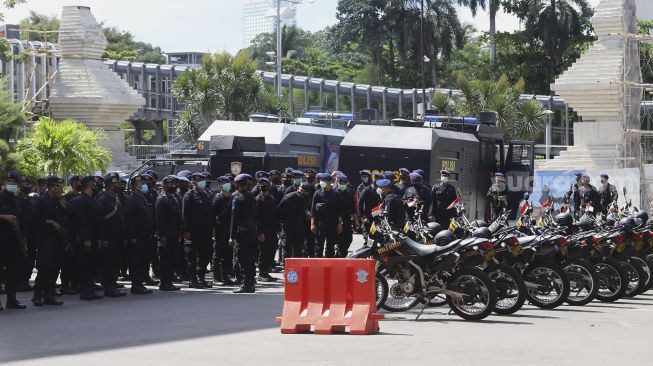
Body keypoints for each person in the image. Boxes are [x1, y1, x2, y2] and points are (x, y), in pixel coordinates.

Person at [31, 176, 67, 306]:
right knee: (44, 268)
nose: (60, 189)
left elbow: (68, 217)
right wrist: (49, 222)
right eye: (57, 187)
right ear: (51, 187)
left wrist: (64, 206)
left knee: (54, 268)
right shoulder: (42, 200)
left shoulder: (59, 201)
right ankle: (37, 295)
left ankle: (49, 294)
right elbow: (35, 220)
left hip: (58, 239)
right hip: (45, 239)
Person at [69, 176, 103, 300]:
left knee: (91, 264)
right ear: (90, 184)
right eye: (94, 183)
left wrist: (98, 238)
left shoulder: (91, 199)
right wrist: (86, 239)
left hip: (93, 237)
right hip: (84, 239)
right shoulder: (80, 201)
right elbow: (82, 222)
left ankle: (89, 288)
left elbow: (95, 221)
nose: (97, 185)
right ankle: (85, 290)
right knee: (84, 265)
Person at [95, 173, 126, 298]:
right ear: (109, 186)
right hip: (108, 237)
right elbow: (100, 222)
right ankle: (109, 287)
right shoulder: (103, 200)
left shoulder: (116, 199)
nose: (119, 185)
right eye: (115, 184)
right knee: (108, 263)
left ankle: (113, 284)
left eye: (118, 183)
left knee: (115, 262)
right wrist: (103, 238)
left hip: (117, 237)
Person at [0, 172, 27, 310]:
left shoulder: (17, 199)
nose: (10, 183)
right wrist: (4, 216)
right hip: (1, 239)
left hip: (15, 240)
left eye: (13, 181)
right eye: (8, 181)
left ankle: (12, 299)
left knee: (13, 271)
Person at [124, 175, 155, 295]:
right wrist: (131, 236)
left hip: (145, 235)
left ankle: (140, 283)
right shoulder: (132, 200)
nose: (143, 184)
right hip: (137, 236)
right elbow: (130, 220)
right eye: (141, 182)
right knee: (136, 261)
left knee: (143, 260)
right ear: (135, 186)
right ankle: (136, 284)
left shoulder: (143, 198)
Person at [182, 172, 214, 289]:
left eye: (201, 180)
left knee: (206, 254)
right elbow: (185, 215)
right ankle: (193, 280)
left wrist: (212, 228)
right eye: (196, 180)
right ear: (192, 182)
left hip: (206, 231)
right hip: (194, 231)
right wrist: (186, 231)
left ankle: (201, 278)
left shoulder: (206, 195)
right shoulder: (189, 195)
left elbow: (210, 213)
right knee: (192, 257)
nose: (198, 182)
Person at [230, 174, 258, 293]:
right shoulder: (251, 197)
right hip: (252, 230)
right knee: (250, 258)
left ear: (236, 184)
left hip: (242, 231)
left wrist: (232, 236)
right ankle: (251, 283)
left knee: (242, 258)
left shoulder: (237, 198)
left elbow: (234, 218)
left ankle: (246, 284)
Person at [156, 176, 183, 291]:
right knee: (165, 259)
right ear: (164, 186)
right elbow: (159, 219)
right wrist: (162, 235)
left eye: (173, 185)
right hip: (166, 234)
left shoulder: (173, 198)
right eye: (169, 185)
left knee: (171, 258)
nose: (172, 187)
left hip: (174, 233)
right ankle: (164, 283)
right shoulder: (162, 199)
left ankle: (169, 281)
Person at [311, 173, 343, 258]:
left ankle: (328, 266)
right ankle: (318, 265)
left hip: (332, 224)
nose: (321, 182)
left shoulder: (336, 194)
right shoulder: (317, 193)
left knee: (330, 247)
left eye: (323, 180)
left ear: (329, 182)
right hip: (320, 224)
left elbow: (339, 211)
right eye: (320, 180)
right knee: (318, 246)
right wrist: (312, 224)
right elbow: (313, 210)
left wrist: (340, 224)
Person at [212, 175, 236, 285]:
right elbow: (212, 216)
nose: (226, 184)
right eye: (223, 183)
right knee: (218, 254)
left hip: (229, 230)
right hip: (220, 230)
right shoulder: (218, 198)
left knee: (228, 254)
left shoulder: (231, 198)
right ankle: (217, 277)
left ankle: (226, 275)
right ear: (219, 185)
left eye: (227, 182)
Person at [278, 182, 311, 259]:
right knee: (287, 245)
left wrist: (307, 214)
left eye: (304, 191)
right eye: (301, 190)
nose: (302, 192)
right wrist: (280, 226)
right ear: (298, 188)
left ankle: (297, 265)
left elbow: (305, 209)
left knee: (298, 246)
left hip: (299, 224)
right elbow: (279, 211)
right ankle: (286, 265)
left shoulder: (307, 199)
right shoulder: (289, 197)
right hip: (287, 224)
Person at [255, 178, 279, 282]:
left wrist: (278, 229)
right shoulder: (258, 200)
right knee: (263, 251)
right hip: (263, 230)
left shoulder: (271, 198)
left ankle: (267, 270)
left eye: (267, 188)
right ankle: (262, 272)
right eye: (263, 189)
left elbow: (275, 215)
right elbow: (256, 218)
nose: (265, 191)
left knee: (272, 248)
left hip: (272, 229)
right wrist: (259, 232)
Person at [15, 175, 35, 292]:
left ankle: (25, 281)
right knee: (19, 259)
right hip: (20, 235)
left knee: (30, 259)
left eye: (28, 184)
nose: (27, 186)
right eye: (25, 184)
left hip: (32, 234)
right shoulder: (16, 200)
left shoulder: (31, 200)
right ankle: (18, 282)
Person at [335, 175, 357, 257]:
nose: (341, 183)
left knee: (348, 239)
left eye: (343, 182)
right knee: (339, 240)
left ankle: (341, 254)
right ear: (337, 182)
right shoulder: (334, 193)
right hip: (337, 221)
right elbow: (337, 210)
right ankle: (339, 256)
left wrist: (356, 219)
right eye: (339, 182)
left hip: (347, 220)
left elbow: (353, 207)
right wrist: (339, 222)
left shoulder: (348, 192)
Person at [356, 170, 379, 246]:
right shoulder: (362, 188)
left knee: (376, 237)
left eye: (366, 177)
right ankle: (366, 254)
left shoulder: (379, 188)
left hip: (377, 215)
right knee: (368, 237)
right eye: (363, 177)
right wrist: (362, 216)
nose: (364, 178)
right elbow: (360, 202)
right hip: (367, 215)